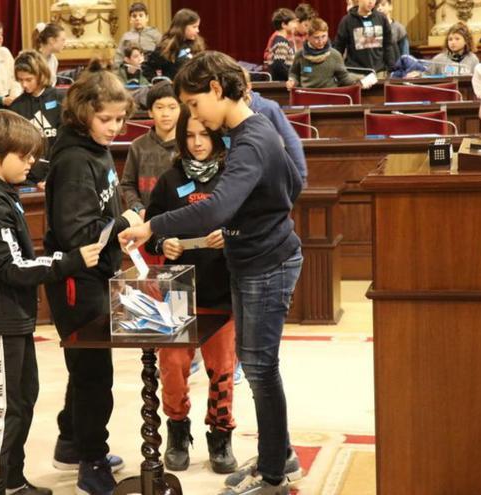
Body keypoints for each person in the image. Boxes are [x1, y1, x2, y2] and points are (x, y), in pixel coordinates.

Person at [118, 51, 304, 495]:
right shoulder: (251, 132)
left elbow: (217, 207)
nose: (192, 117)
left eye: (195, 104)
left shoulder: (251, 137)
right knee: (258, 365)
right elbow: (292, 183)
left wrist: (152, 226)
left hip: (266, 262)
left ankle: (275, 474)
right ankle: (279, 455)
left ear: (217, 91)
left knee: (259, 368)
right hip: (255, 256)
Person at [0, 109, 103, 495]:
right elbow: (14, 266)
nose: (32, 162)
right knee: (2, 407)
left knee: (22, 399)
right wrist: (70, 259)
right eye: (24, 155)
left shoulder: (4, 193)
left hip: (12, 316)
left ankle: (13, 480)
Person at [43, 68, 142, 494]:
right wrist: (123, 221)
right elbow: (77, 234)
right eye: (106, 120)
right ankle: (91, 460)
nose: (115, 128)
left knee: (84, 366)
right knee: (93, 373)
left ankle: (71, 442)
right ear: (84, 114)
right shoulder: (72, 160)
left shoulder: (96, 150)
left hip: (98, 273)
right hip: (76, 280)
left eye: (120, 120)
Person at [145, 108, 238, 474]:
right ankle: (177, 431)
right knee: (173, 368)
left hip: (222, 290)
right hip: (177, 294)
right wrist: (163, 243)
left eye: (204, 135)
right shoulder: (169, 181)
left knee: (222, 370)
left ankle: (220, 435)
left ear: (217, 136)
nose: (197, 143)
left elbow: (250, 228)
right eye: (189, 137)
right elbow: (151, 234)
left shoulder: (234, 177)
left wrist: (229, 237)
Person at [120, 82, 180, 218]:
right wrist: (139, 209)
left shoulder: (188, 145)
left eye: (172, 107)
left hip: (181, 221)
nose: (165, 114)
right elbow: (127, 185)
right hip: (146, 221)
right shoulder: (138, 146)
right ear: (150, 112)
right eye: (159, 107)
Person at [11, 50, 63, 186]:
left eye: (28, 79)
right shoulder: (16, 107)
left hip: (60, 172)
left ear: (40, 76)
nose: (24, 85)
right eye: (20, 80)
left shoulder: (60, 99)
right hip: (29, 179)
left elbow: (66, 141)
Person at [287, 17, 364, 90]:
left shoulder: (335, 55)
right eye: (316, 38)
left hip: (330, 97)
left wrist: (360, 82)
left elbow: (344, 78)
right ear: (308, 37)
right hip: (307, 97)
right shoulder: (300, 54)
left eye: (323, 36)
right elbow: (294, 73)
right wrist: (292, 81)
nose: (321, 41)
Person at [333, 0, 394, 76]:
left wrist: (391, 68)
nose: (371, 2)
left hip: (379, 72)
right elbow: (339, 47)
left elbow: (388, 45)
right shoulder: (347, 21)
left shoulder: (382, 19)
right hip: (355, 72)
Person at [143, 8, 205, 82]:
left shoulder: (197, 45)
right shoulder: (165, 47)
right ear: (183, 27)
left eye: (197, 27)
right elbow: (147, 67)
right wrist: (159, 83)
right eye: (194, 27)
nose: (198, 30)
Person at [114, 2, 162, 67]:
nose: (137, 19)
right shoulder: (126, 37)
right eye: (134, 16)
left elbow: (163, 54)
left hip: (151, 69)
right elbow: (118, 58)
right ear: (130, 19)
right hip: (131, 71)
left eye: (141, 15)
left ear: (147, 18)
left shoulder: (155, 34)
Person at [264, 9, 299, 81]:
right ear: (283, 25)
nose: (295, 25)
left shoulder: (279, 40)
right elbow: (278, 65)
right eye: (293, 22)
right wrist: (292, 77)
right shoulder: (282, 42)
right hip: (282, 84)